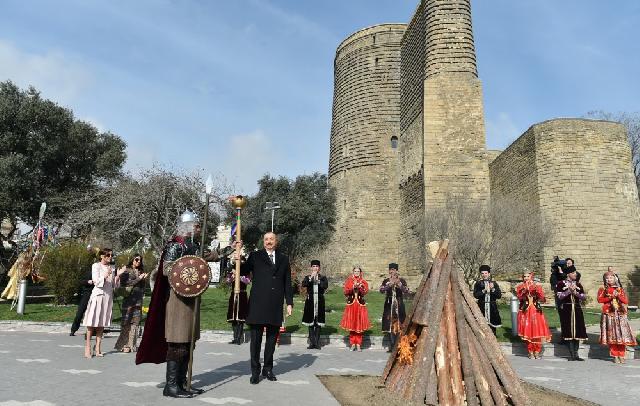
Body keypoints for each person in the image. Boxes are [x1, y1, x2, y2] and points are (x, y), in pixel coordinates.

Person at [136, 210, 218, 398]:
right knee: (178, 344)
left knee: (189, 343)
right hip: (177, 301)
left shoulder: (194, 245)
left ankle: (182, 382)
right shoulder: (176, 245)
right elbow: (167, 269)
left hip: (192, 300)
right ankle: (171, 386)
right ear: (188, 227)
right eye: (196, 226)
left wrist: (232, 248)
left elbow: (209, 256)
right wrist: (188, 268)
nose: (199, 228)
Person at [238, 232, 293, 384]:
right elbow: (243, 271)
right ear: (263, 242)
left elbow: (287, 282)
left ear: (276, 242)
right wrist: (238, 255)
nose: (269, 242)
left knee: (271, 340)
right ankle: (255, 371)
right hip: (258, 304)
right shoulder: (255, 256)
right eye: (266, 239)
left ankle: (268, 369)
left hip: (275, 304)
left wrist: (289, 303)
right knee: (255, 340)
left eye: (271, 239)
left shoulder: (283, 258)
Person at [82, 248, 116, 359]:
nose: (110, 257)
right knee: (92, 323)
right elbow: (96, 281)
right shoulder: (96, 266)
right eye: (108, 255)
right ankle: (87, 347)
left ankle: (98, 348)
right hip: (98, 296)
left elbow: (114, 285)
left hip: (107, 297)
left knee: (101, 323)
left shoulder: (112, 268)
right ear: (102, 256)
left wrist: (118, 276)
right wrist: (106, 274)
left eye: (111, 255)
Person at [598, 268, 637, 364]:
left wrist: (618, 296)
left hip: (620, 314)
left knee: (621, 335)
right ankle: (615, 355)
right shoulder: (602, 289)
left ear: (615, 278)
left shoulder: (620, 289)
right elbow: (600, 300)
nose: (609, 280)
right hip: (609, 314)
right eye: (607, 278)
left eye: (611, 278)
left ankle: (622, 355)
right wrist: (611, 297)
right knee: (612, 335)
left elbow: (625, 301)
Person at [114, 254, 148, 352]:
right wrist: (139, 279)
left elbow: (141, 287)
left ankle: (131, 345)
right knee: (126, 321)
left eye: (140, 260)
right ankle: (123, 345)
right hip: (129, 299)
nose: (138, 262)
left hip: (138, 299)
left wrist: (143, 280)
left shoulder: (141, 271)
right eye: (136, 259)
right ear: (132, 260)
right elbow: (126, 283)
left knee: (135, 322)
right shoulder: (127, 270)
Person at [515, 271, 551, 359]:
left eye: (528, 276)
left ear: (531, 277)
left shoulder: (536, 286)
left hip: (535, 311)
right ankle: (530, 351)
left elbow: (543, 299)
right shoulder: (520, 287)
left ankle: (537, 351)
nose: (526, 278)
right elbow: (519, 298)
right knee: (527, 331)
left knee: (537, 331)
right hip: (525, 311)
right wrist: (524, 292)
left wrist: (538, 292)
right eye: (524, 276)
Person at [556, 266, 588, 361]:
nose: (575, 274)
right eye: (573, 273)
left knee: (577, 331)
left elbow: (583, 297)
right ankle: (572, 355)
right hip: (567, 309)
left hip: (577, 308)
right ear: (568, 274)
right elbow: (560, 296)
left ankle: (576, 355)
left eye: (575, 273)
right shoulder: (561, 284)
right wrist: (569, 291)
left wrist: (575, 292)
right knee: (569, 331)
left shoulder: (578, 284)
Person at [340, 266, 371, 351]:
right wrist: (352, 287)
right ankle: (353, 343)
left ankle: (359, 344)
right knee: (352, 323)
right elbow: (346, 292)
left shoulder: (363, 281)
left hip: (360, 305)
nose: (356, 273)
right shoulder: (349, 281)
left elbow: (365, 292)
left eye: (358, 271)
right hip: (351, 305)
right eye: (355, 271)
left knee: (359, 324)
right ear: (353, 272)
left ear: (360, 272)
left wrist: (360, 287)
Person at [379, 263, 408, 352]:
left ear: (397, 271)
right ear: (389, 271)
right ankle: (392, 345)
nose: (392, 271)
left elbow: (406, 291)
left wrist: (399, 284)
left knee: (400, 323)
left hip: (398, 304)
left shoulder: (402, 280)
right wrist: (389, 285)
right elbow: (381, 290)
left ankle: (399, 345)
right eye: (391, 270)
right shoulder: (386, 280)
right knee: (390, 324)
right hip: (389, 304)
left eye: (394, 270)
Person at [225, 240, 250, 345]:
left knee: (240, 318)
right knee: (233, 317)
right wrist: (232, 277)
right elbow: (227, 281)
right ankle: (234, 337)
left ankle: (239, 338)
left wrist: (239, 276)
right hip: (233, 295)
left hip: (242, 294)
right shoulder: (232, 270)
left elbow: (248, 281)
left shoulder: (245, 271)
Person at [301, 260, 328, 350]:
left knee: (318, 323)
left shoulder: (323, 278)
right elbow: (304, 284)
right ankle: (312, 343)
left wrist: (318, 281)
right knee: (310, 323)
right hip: (310, 302)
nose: (315, 268)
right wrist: (310, 279)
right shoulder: (307, 277)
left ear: (319, 268)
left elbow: (325, 286)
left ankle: (316, 342)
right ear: (311, 268)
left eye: (317, 266)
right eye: (314, 266)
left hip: (319, 302)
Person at [472, 264, 502, 335]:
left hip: (492, 307)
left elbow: (499, 296)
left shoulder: (494, 283)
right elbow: (476, 295)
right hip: (481, 306)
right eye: (482, 273)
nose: (484, 275)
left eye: (486, 273)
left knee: (492, 326)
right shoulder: (478, 284)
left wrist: (493, 289)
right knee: (481, 325)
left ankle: (493, 342)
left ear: (489, 274)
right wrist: (484, 290)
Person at [70, 264, 94, 336]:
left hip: (97, 293)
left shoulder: (101, 272)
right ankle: (73, 329)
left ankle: (93, 331)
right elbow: (80, 281)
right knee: (80, 312)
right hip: (87, 293)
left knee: (93, 313)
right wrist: (87, 281)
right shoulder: (88, 271)